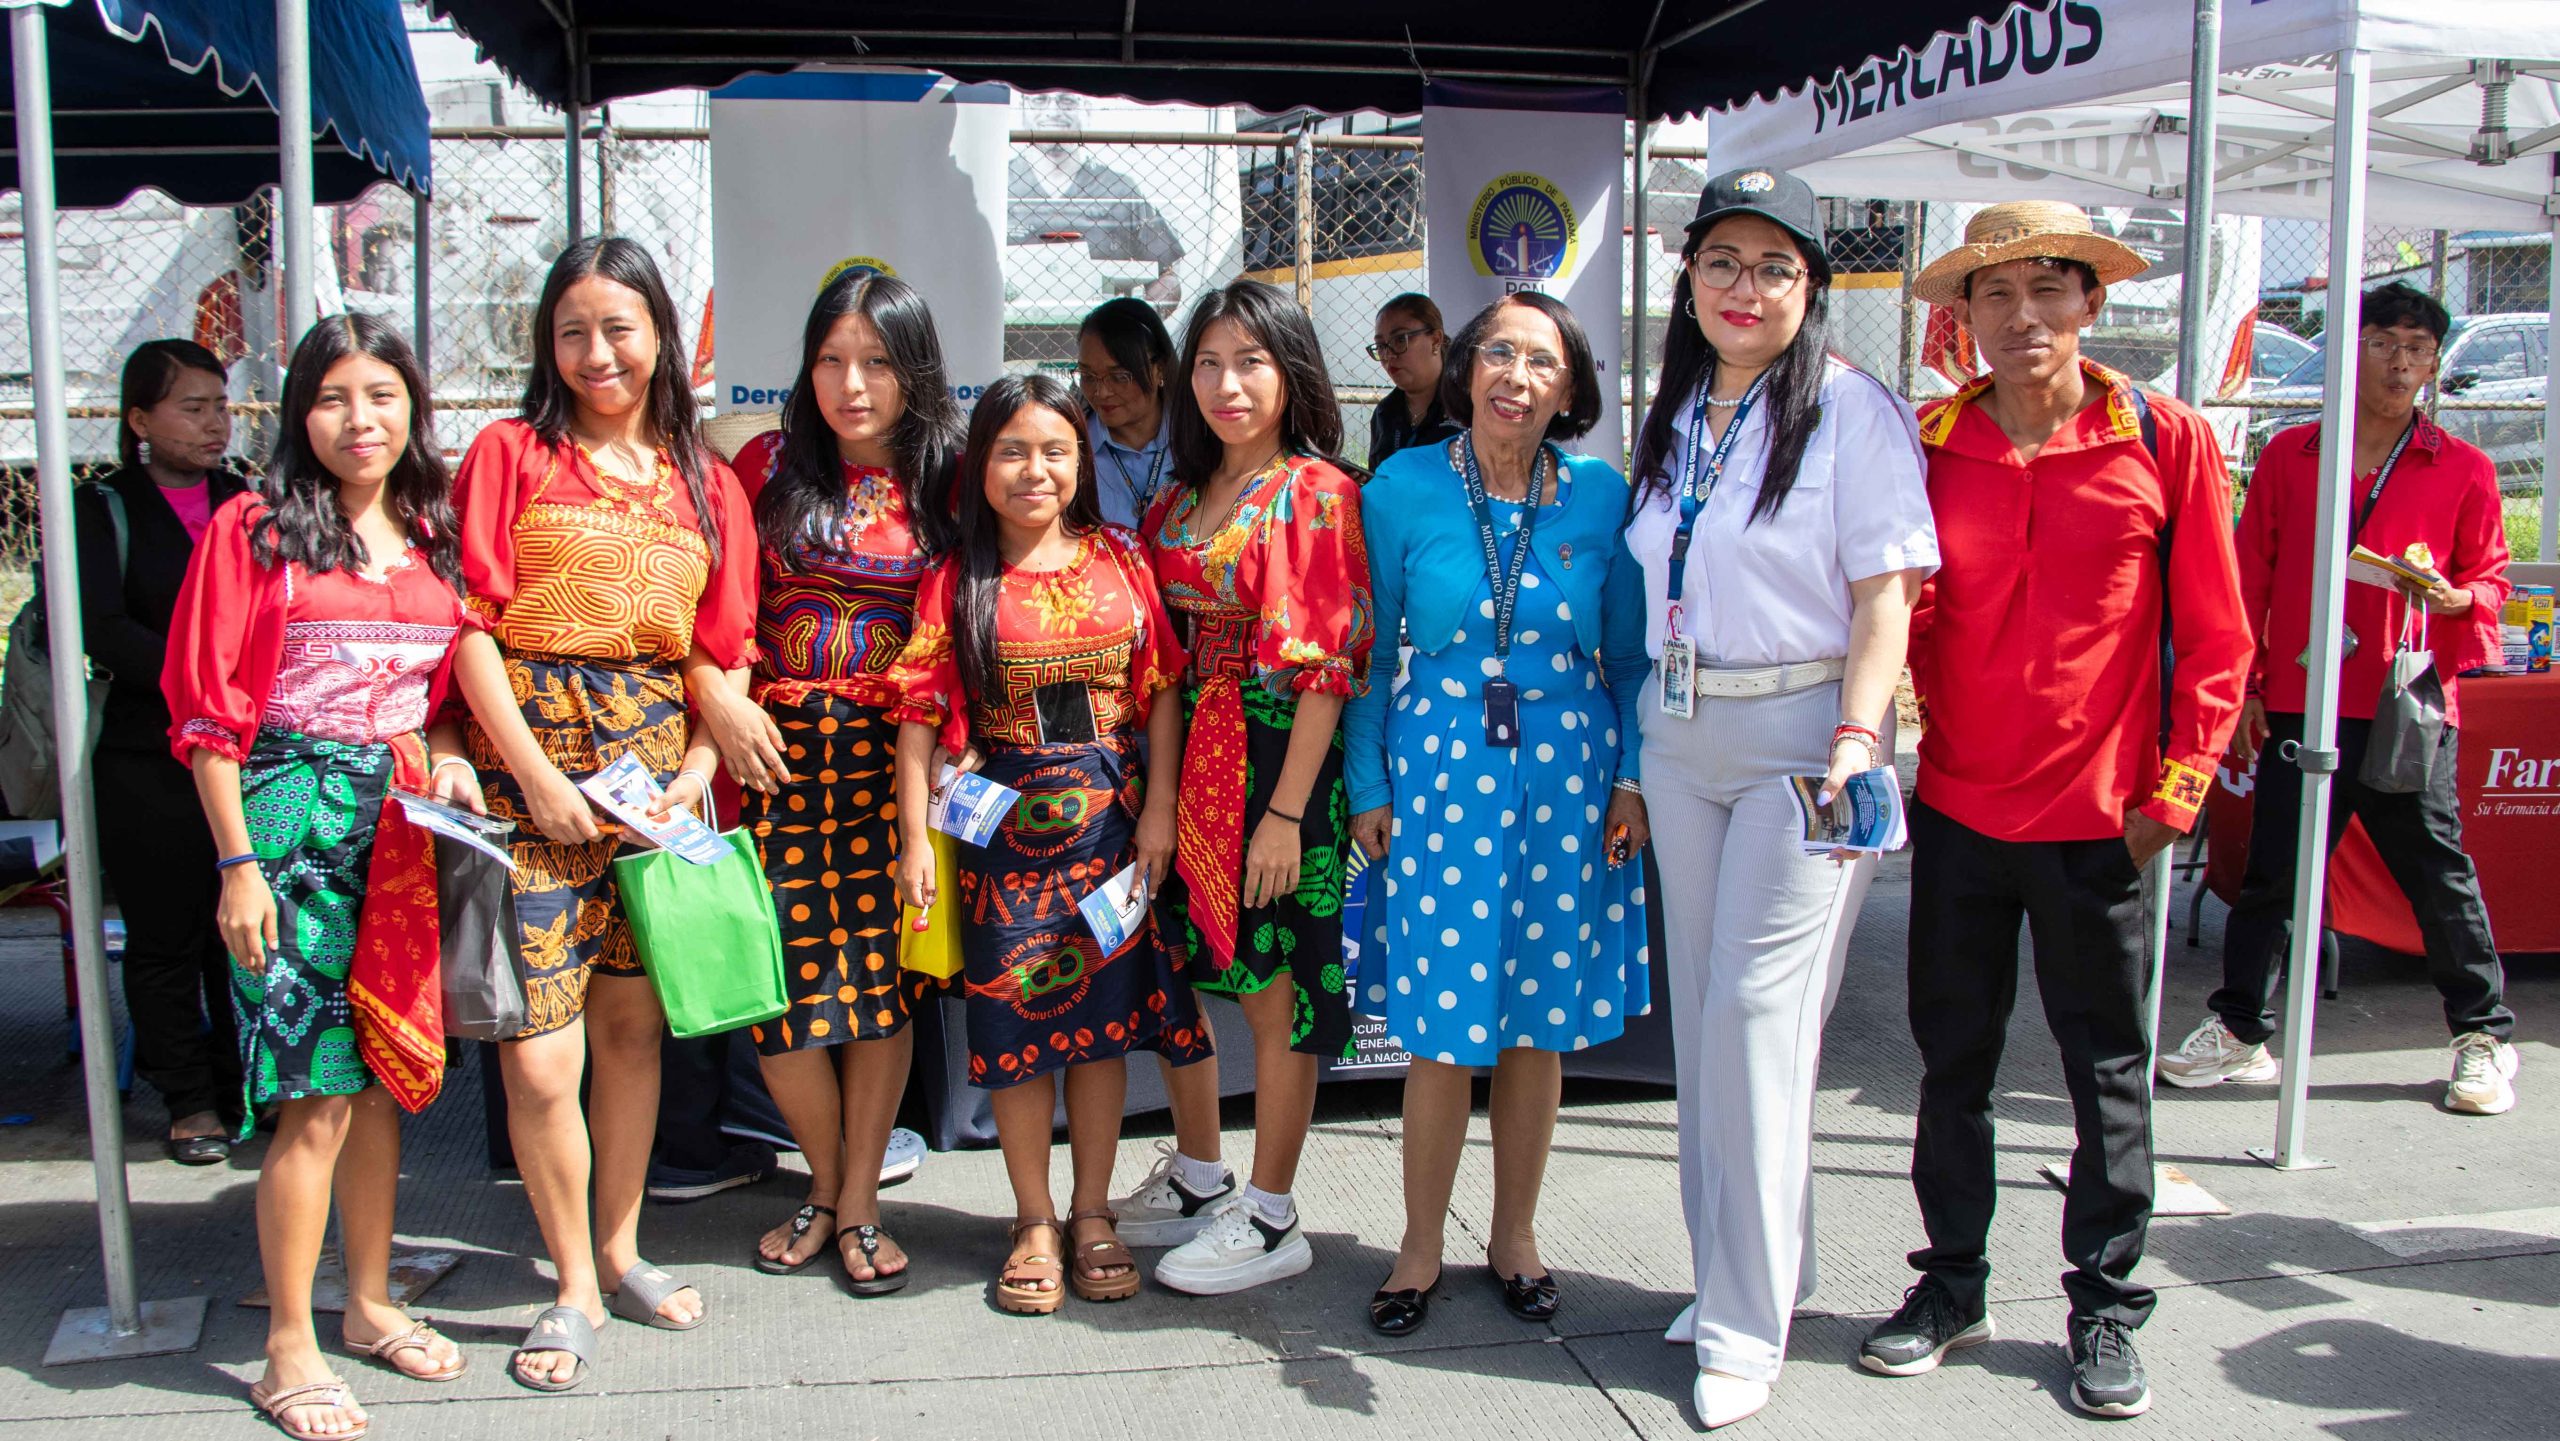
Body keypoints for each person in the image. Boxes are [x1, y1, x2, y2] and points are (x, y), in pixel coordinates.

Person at [1862, 201, 2253, 1420]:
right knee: (1952, 1064)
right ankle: (1953, 1284)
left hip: (2105, 823)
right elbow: (1899, 609)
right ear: (1960, 317)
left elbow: (2219, 636)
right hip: (1963, 811)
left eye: (2048, 290)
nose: (2021, 316)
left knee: (2108, 1076)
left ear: (2091, 303)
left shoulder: (2168, 438)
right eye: (1994, 294)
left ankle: (2104, 1305)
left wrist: (2175, 792)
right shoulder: (1926, 440)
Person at [1624, 169, 1938, 1428]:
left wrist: (1860, 737)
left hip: (1808, 740)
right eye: (1722, 264)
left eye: (1774, 268)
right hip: (1680, 732)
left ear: (1812, 290)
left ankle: (1750, 1329)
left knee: (1759, 1018)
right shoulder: (1684, 406)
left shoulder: (1855, 413)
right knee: (1708, 1023)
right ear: (1690, 281)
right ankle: (1735, 1278)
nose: (1744, 290)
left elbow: (1886, 596)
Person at [447, 237, 757, 1391]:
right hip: (534, 778)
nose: (596, 353)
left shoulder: (703, 477)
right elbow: (470, 619)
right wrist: (527, 771)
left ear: (660, 335)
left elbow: (717, 653)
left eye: (618, 328)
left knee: (634, 1033)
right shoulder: (509, 454)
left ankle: (620, 1246)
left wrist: (689, 779)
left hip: (652, 784)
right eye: (572, 331)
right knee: (539, 1057)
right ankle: (570, 1279)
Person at [163, 314, 477, 1440]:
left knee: (380, 1074)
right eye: (337, 397)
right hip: (289, 832)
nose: (363, 419)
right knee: (313, 1095)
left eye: (384, 395)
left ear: (413, 407)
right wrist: (237, 864)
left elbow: (439, 693)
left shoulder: (430, 530)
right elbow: (207, 718)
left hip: (398, 837)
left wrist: (444, 754)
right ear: (302, 411)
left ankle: (371, 1303)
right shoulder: (254, 529)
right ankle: (288, 1344)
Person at [1343, 291, 1650, 1339]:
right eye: (1499, 355)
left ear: (1570, 390)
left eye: (1542, 363)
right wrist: (1369, 787)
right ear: (1468, 367)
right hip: (1434, 780)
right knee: (1435, 1030)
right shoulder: (1401, 489)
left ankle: (1513, 1236)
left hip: (1568, 786)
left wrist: (1632, 780)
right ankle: (1419, 1245)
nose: (1515, 377)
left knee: (1535, 1026)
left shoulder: (1603, 498)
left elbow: (1629, 661)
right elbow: (1372, 656)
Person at [887, 373, 1212, 1313]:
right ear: (979, 463)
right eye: (1013, 451)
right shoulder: (957, 577)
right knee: (1019, 1034)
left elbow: (1160, 687)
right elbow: (917, 716)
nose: (1035, 470)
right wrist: (915, 836)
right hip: (1003, 842)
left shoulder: (1121, 554)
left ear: (1082, 459)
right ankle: (1033, 1219)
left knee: (1102, 1030)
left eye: (1056, 449)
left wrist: (1158, 814)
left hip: (1113, 827)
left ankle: (1094, 1210)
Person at [2160, 280, 2520, 1113]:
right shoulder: (2294, 453)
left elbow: (2490, 577)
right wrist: (2245, 681)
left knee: (2437, 874)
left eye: (2419, 349)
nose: (2401, 361)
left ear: (2435, 365)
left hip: (2405, 701)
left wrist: (2456, 598)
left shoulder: (2460, 465)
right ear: (2352, 350)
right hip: (2299, 694)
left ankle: (2482, 1036)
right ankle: (2242, 1031)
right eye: (2386, 341)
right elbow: (2248, 574)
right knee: (2275, 877)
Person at [708, 270, 963, 1290]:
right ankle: (829, 1182)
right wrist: (718, 701)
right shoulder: (763, 463)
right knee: (778, 1004)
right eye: (830, 360)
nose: (852, 384)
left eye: (876, 362)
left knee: (878, 993)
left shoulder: (952, 475)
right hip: (770, 764)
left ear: (915, 368)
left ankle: (850, 1203)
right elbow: (711, 602)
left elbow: (971, 618)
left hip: (893, 771)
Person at [1130, 279, 1374, 1295]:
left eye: (1252, 363)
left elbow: (1326, 671)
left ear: (1291, 373)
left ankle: (1271, 1213)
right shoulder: (1174, 500)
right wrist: (1156, 796)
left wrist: (1283, 816)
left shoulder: (1315, 490)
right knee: (1178, 972)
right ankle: (1198, 1175)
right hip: (1188, 758)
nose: (1229, 385)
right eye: (1210, 364)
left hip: (1279, 763)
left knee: (1275, 991)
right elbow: (1161, 658)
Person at [82, 339, 252, 1164]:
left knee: (241, 929)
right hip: (145, 758)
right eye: (193, 407)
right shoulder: (102, 507)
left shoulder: (247, 500)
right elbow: (101, 625)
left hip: (239, 748)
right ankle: (188, 1099)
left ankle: (241, 1083)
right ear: (140, 418)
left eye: (221, 404)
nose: (214, 422)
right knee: (164, 937)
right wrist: (199, 673)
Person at [1078, 297, 1177, 528]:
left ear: (1159, 368)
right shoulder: (1072, 450)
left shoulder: (1200, 441)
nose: (1101, 392)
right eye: (1087, 376)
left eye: (1120, 376)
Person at [1366, 293, 1462, 466]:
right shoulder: (1384, 413)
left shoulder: (1468, 405)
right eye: (1381, 346)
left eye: (1400, 340)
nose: (1388, 355)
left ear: (1435, 340)